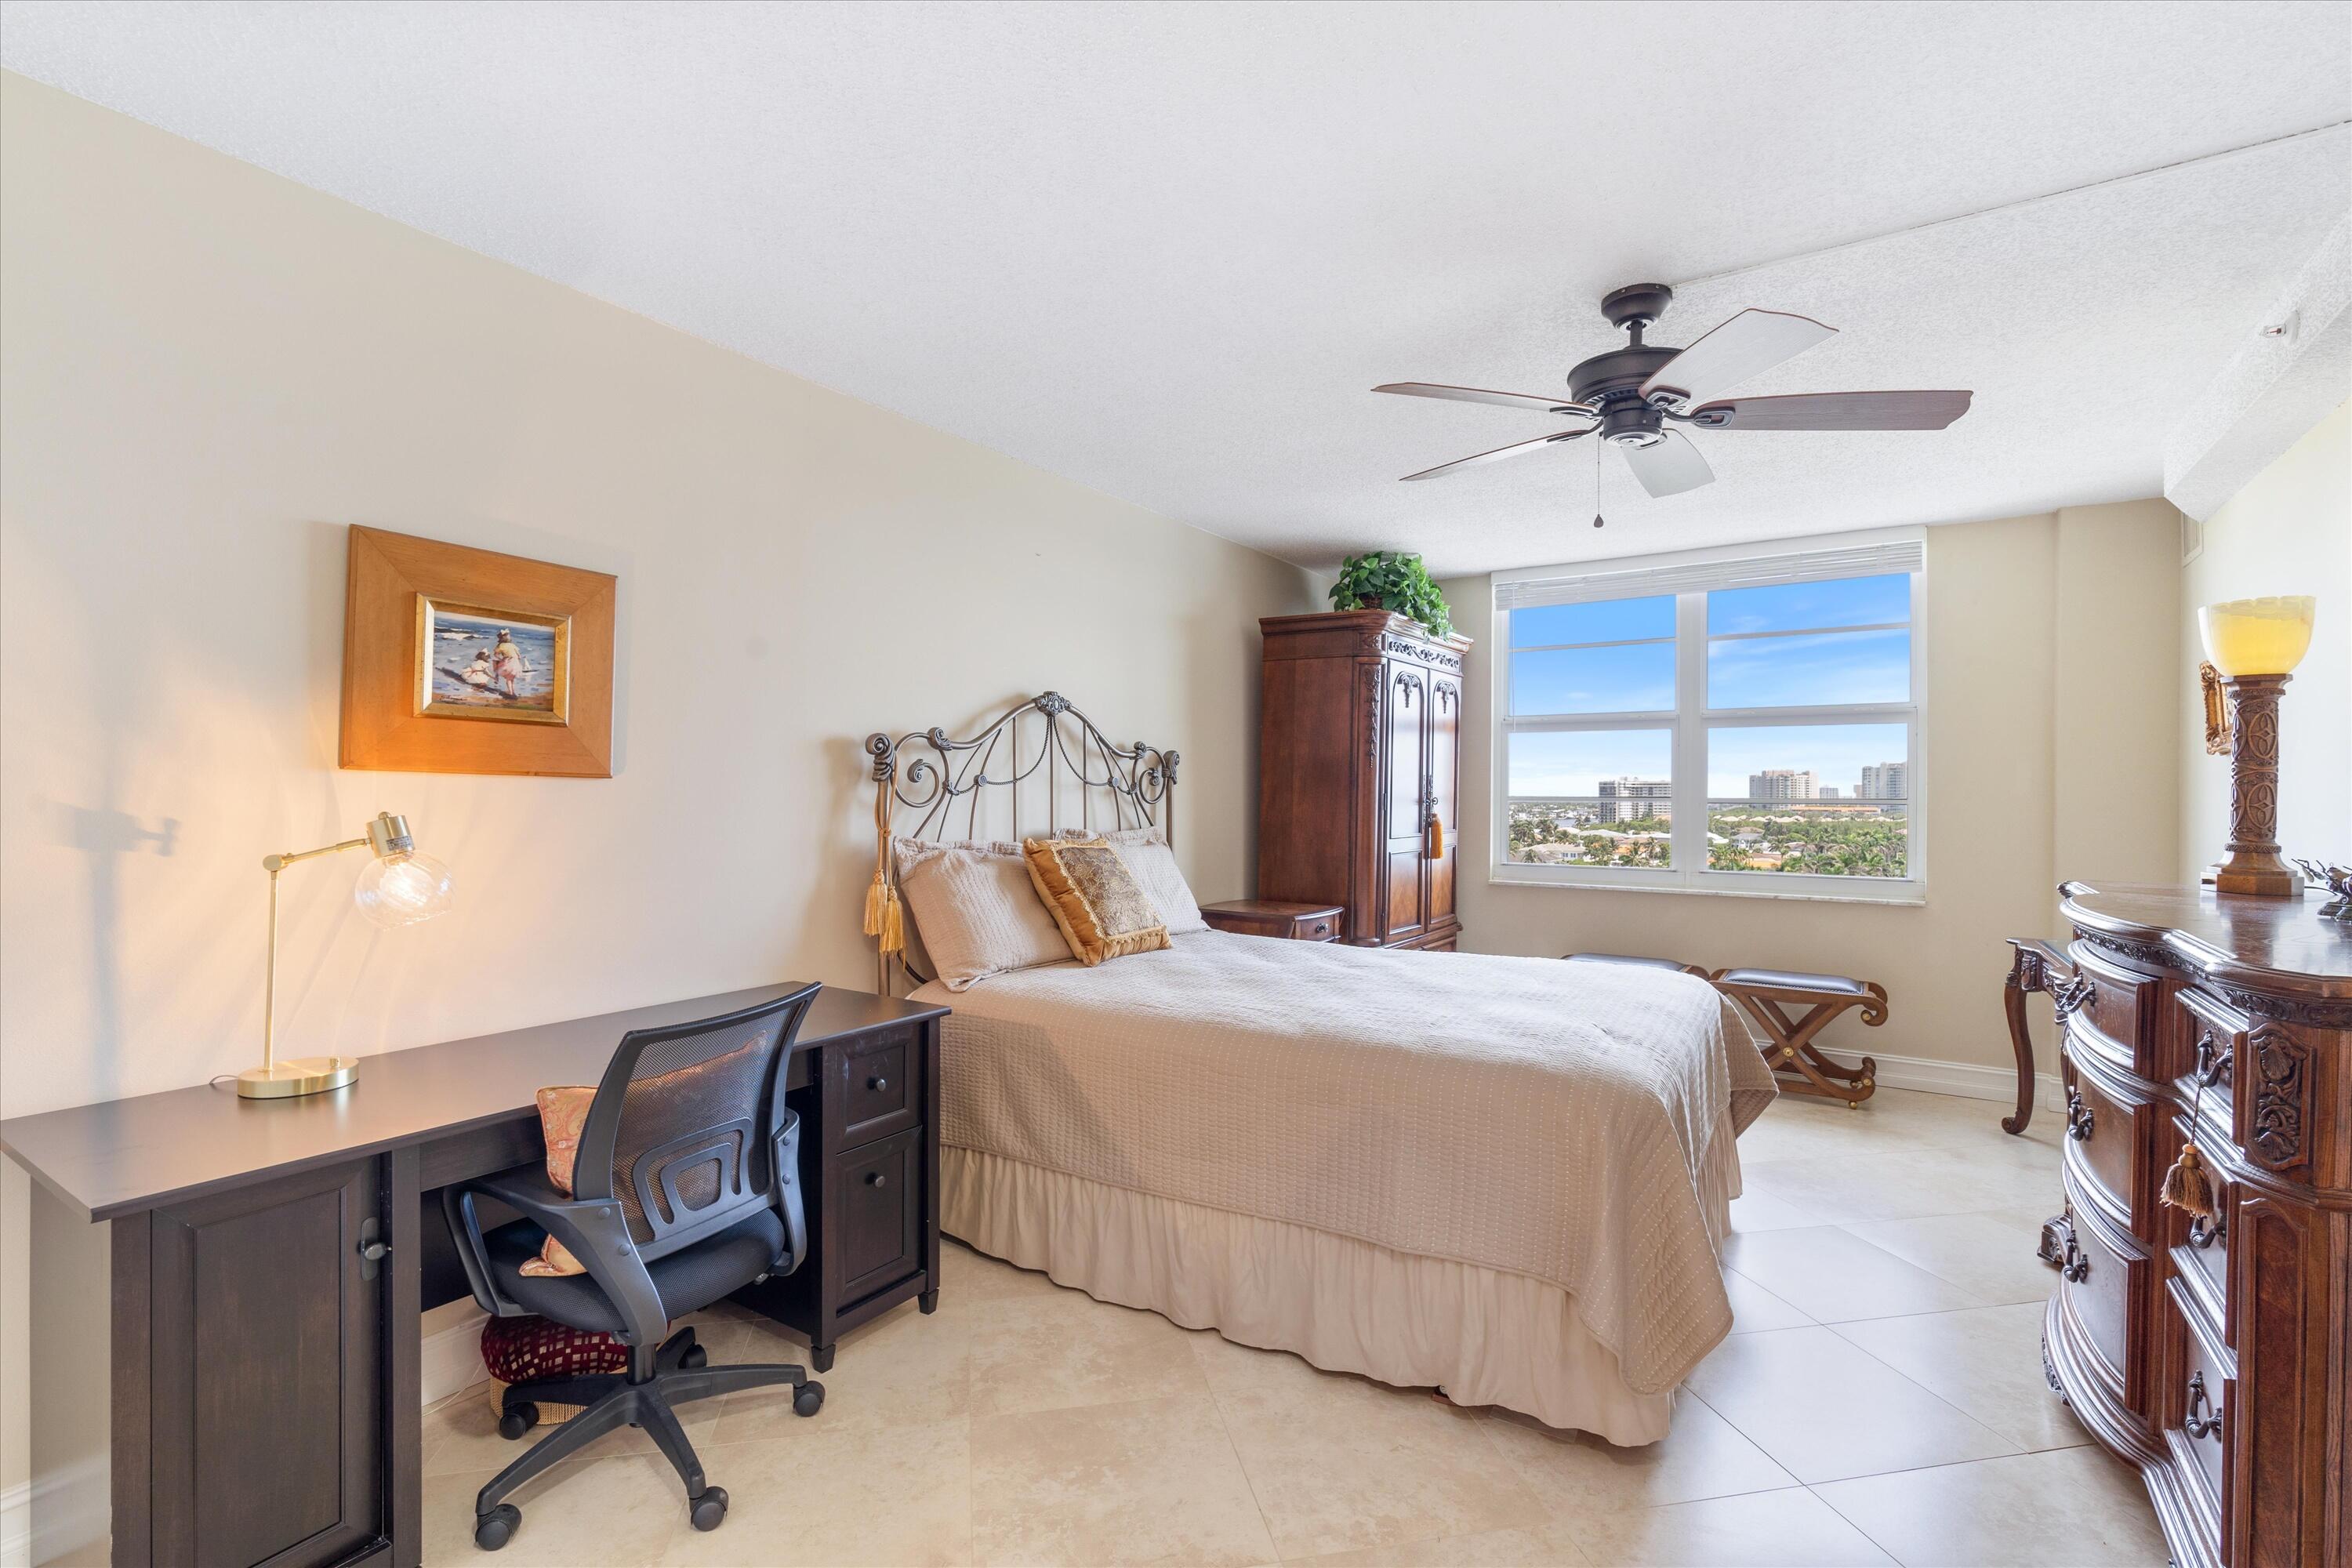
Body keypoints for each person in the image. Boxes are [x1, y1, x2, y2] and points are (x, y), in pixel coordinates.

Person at [492, 630, 526, 699]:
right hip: (515, 663)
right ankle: (512, 693)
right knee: (511, 678)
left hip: (507, 662)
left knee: (508, 679)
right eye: (508, 636)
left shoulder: (501, 645)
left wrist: (501, 659)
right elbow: (519, 656)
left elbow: (496, 654)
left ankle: (511, 693)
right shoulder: (513, 645)